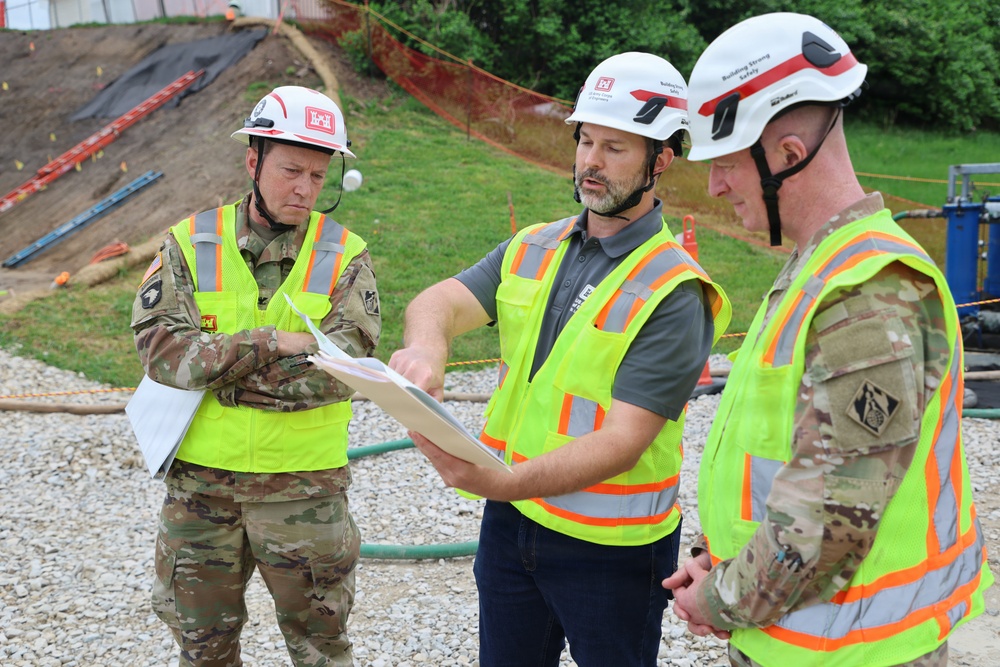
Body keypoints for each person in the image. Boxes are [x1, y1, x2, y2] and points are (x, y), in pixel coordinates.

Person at [663, 12, 993, 667]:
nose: (714, 186)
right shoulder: (823, 268)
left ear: (788, 153)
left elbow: (829, 523)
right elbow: (783, 461)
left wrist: (720, 598)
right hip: (804, 637)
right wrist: (717, 554)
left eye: (725, 163)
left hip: (857, 650)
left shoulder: (871, 290)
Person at [389, 52, 732, 666]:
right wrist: (426, 348)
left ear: (662, 161)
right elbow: (437, 302)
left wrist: (503, 481)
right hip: (512, 524)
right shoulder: (534, 246)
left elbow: (625, 439)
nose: (591, 162)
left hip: (612, 547)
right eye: (586, 141)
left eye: (616, 148)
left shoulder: (675, 290)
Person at [130, 85, 380, 667]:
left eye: (319, 177)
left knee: (321, 648)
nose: (304, 189)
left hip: (305, 492)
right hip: (201, 491)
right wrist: (275, 342)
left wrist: (226, 374)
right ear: (253, 160)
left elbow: (338, 370)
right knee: (203, 648)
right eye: (292, 170)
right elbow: (166, 354)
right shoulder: (189, 243)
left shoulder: (346, 255)